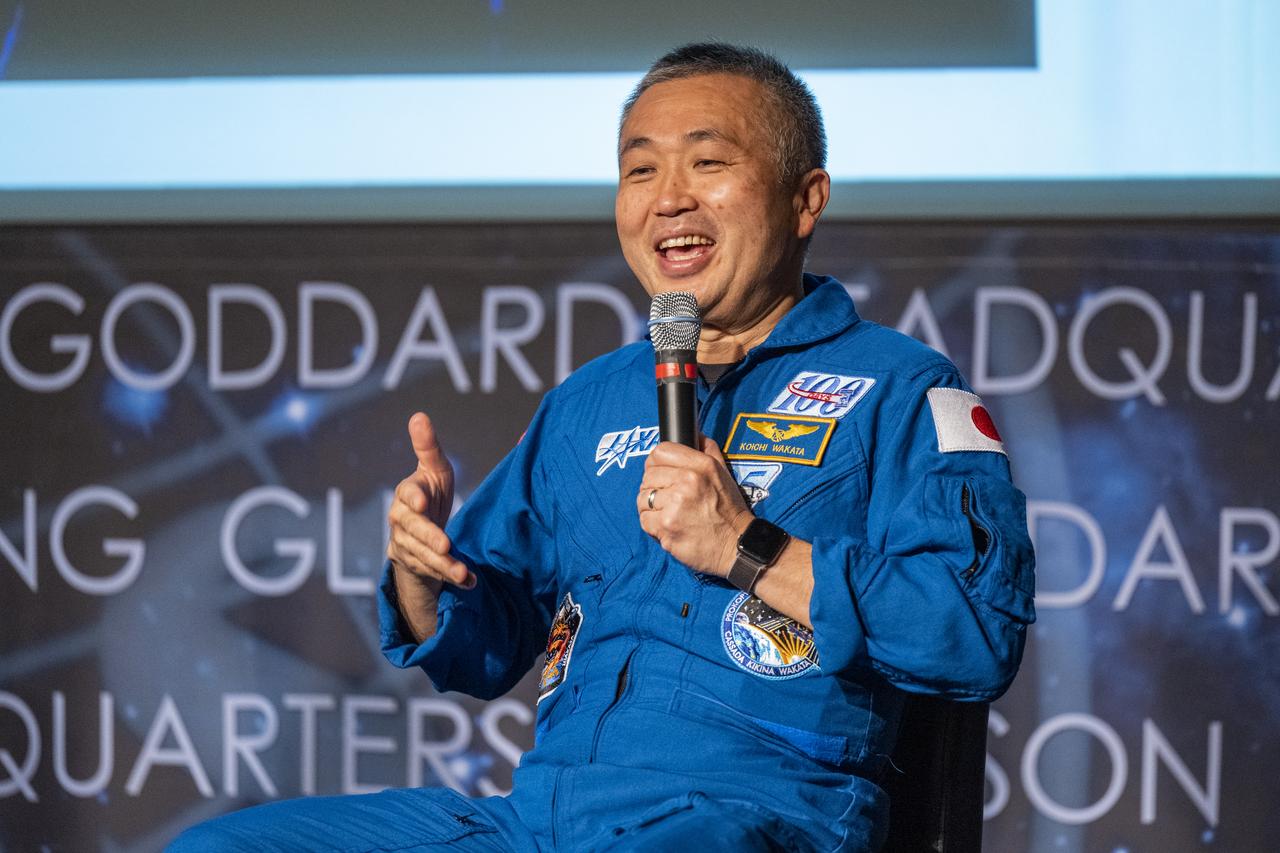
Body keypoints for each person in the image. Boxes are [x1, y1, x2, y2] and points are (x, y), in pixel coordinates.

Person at [170, 42, 1034, 853]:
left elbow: (973, 633)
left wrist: (748, 547)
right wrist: (423, 577)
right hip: (544, 819)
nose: (669, 198)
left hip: (751, 815)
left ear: (806, 199)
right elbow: (484, 646)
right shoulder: (588, 403)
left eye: (707, 163)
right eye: (640, 170)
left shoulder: (901, 389)